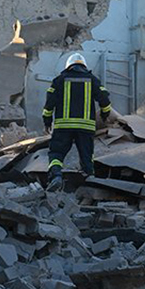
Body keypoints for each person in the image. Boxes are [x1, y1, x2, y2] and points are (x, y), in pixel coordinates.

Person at [42, 53, 112, 191]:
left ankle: (56, 175)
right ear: (84, 66)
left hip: (63, 126)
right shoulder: (92, 80)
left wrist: (47, 121)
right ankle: (88, 183)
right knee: (87, 156)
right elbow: (104, 98)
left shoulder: (59, 80)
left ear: (68, 66)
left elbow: (49, 103)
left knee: (56, 153)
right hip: (85, 128)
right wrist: (105, 114)